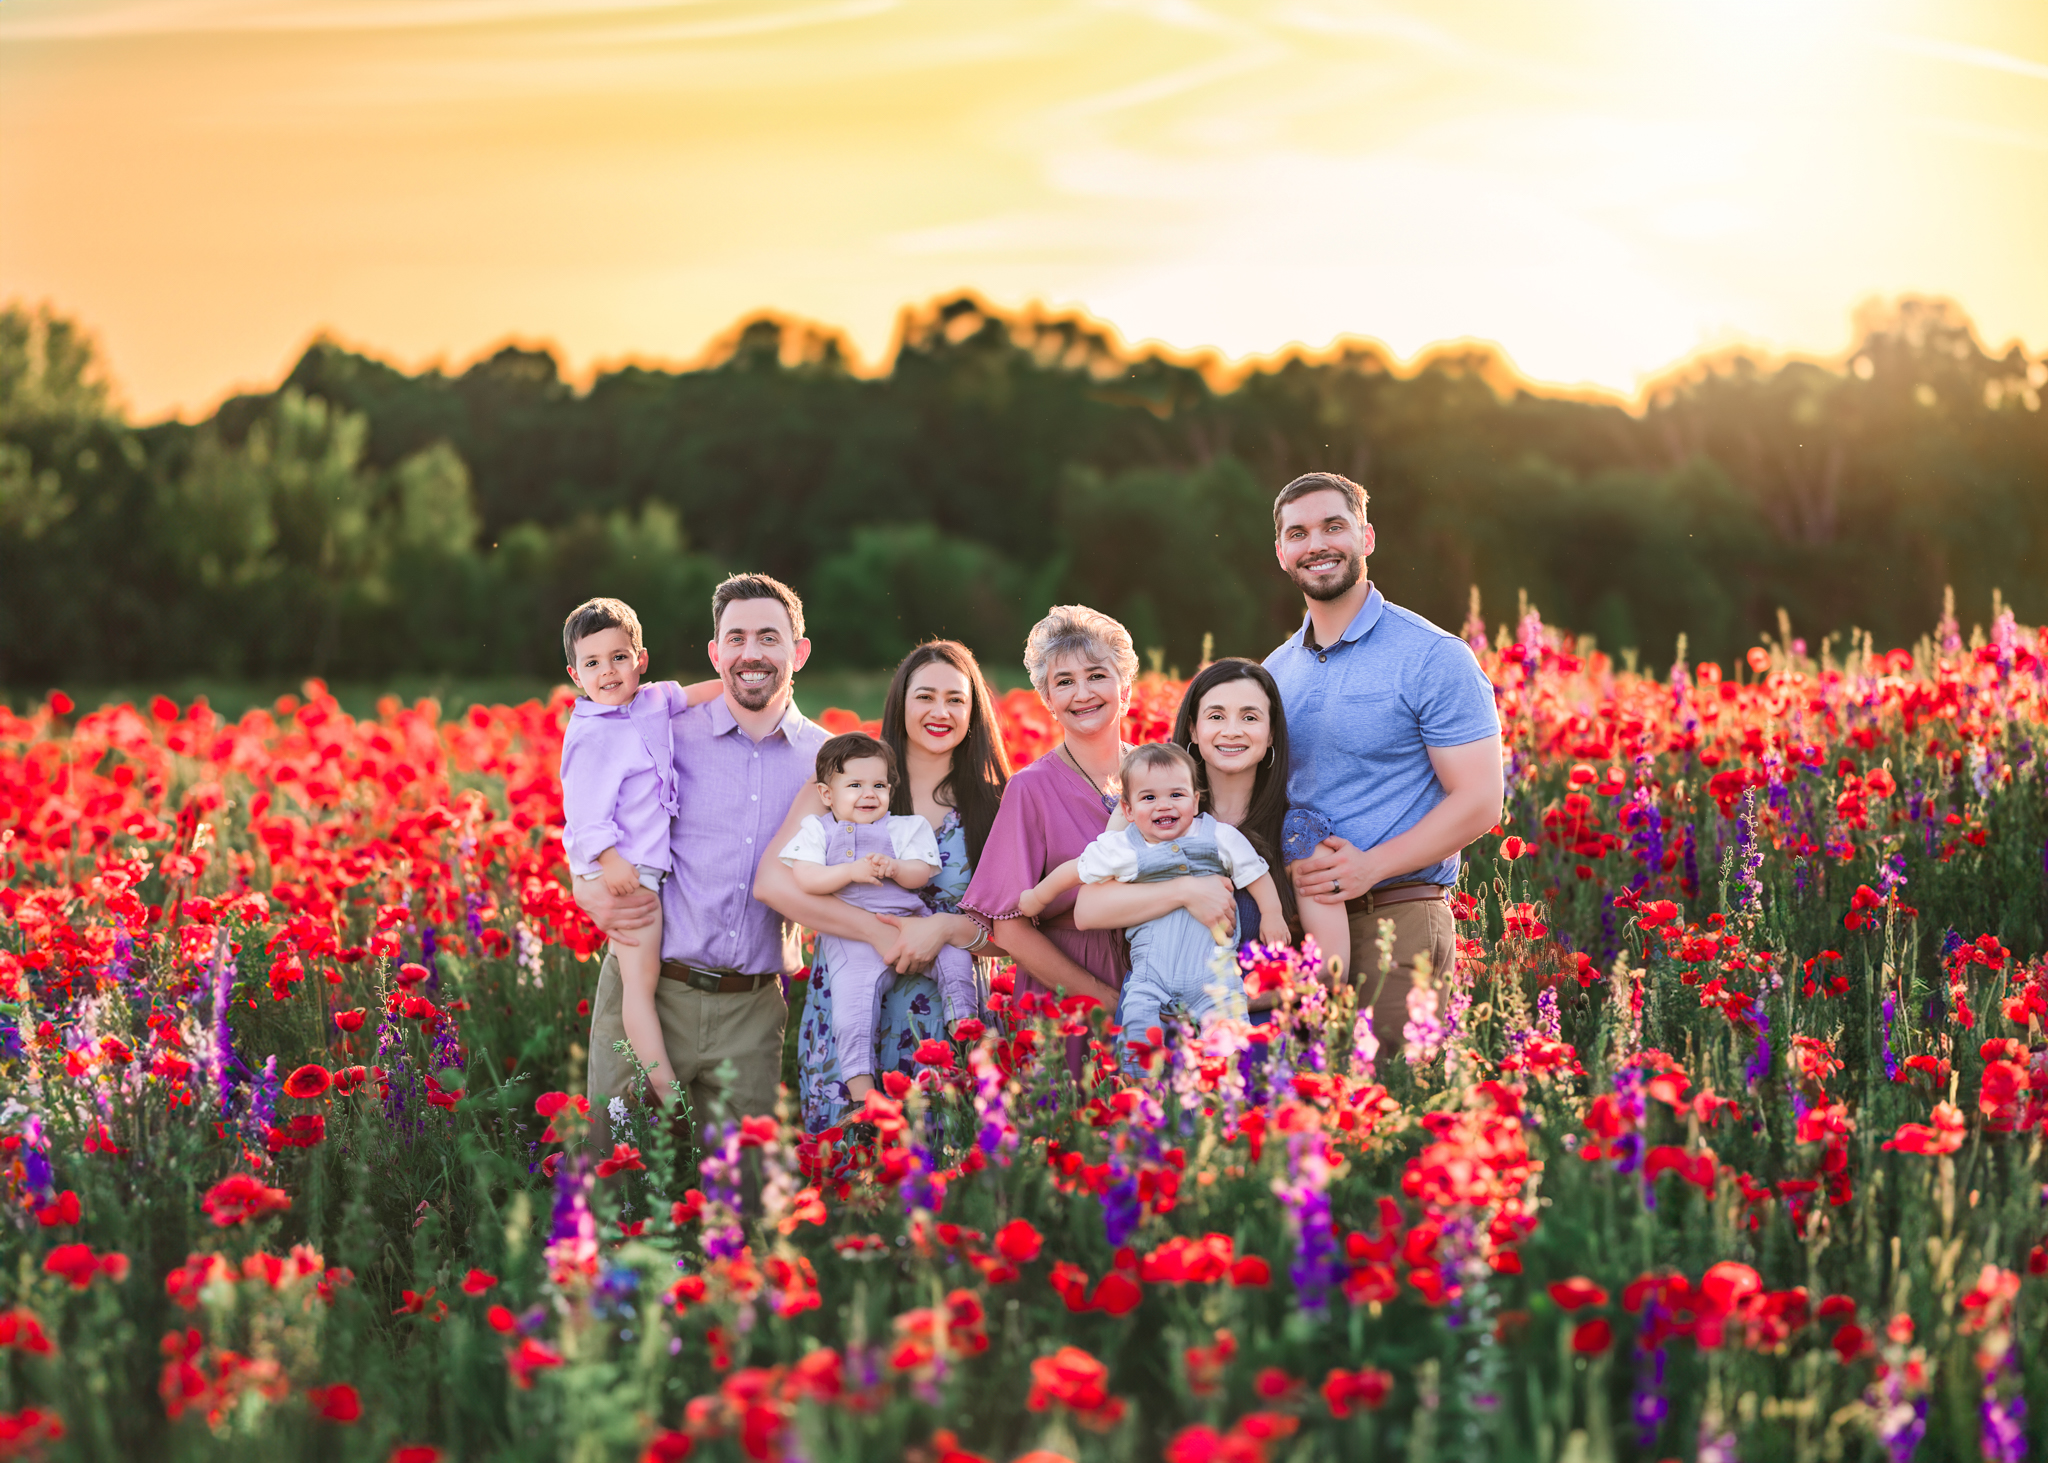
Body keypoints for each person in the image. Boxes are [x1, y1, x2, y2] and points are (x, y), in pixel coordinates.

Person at [573, 573, 826, 1141]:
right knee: (618, 1183)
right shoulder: (662, 732)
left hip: (753, 1010)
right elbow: (590, 800)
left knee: (744, 1201)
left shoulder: (825, 762)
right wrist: (581, 883)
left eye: (769, 637)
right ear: (714, 653)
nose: (751, 653)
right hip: (651, 989)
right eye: (735, 638)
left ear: (799, 652)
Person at [1262, 471, 1505, 1057]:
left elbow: (1479, 801)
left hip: (1397, 917)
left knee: (1396, 1111)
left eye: (1333, 526)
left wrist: (1370, 867)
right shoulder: (1274, 670)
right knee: (1305, 1116)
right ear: (1281, 553)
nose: (1316, 544)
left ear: (1367, 537)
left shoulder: (1431, 656)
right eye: (1298, 533)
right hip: (1299, 930)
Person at [757, 640, 1007, 1133]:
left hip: (948, 1020)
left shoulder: (995, 804)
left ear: (974, 710)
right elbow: (772, 883)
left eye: (956, 699)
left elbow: (1019, 931)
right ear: (900, 702)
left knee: (950, 1181)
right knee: (856, 1178)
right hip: (852, 1011)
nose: (941, 712)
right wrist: (875, 932)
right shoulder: (843, 778)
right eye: (925, 696)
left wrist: (943, 929)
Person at [962, 606, 1184, 1067]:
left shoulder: (1160, 773)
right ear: (1047, 698)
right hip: (1066, 994)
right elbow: (1009, 926)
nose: (1082, 693)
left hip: (1161, 979)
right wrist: (1106, 1000)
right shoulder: (1031, 789)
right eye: (1064, 681)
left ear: (1125, 687)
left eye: (1096, 675)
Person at [1024, 743, 1282, 1061]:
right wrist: (1037, 897)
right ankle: (1141, 1092)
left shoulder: (1219, 837)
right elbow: (1076, 870)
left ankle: (1227, 1095)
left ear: (1195, 799)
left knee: (1231, 1049)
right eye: (1149, 798)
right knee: (1137, 1040)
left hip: (1214, 973)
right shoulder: (1125, 847)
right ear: (1128, 810)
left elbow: (1255, 873)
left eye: (1176, 795)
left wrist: (1272, 913)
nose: (1164, 806)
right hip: (1150, 975)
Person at [776, 733, 976, 1104]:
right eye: (855, 785)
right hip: (851, 940)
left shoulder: (903, 827)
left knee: (955, 959)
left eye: (879, 786)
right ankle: (862, 1092)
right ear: (826, 795)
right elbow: (806, 878)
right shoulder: (818, 830)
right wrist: (849, 872)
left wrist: (897, 868)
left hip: (909, 922)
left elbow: (922, 872)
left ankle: (965, 1025)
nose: (869, 794)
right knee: (853, 1006)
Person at [558, 596, 691, 1104]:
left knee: (638, 980)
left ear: (641, 659)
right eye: (592, 663)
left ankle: (648, 1084)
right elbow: (584, 811)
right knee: (640, 985)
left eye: (618, 657)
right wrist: (610, 862)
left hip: (636, 868)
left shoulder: (653, 701)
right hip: (621, 870)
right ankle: (666, 1087)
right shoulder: (591, 734)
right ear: (575, 674)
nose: (607, 672)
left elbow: (696, 696)